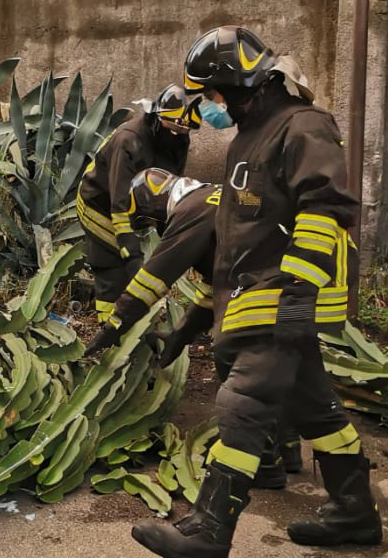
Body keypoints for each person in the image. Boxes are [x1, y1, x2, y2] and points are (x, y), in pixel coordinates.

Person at [133, 27, 376, 557]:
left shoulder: (303, 127)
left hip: (282, 293)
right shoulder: (249, 136)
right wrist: (194, 324)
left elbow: (327, 208)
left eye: (215, 94)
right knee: (316, 410)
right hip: (256, 295)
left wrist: (295, 291)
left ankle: (208, 528)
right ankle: (355, 512)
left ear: (240, 83)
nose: (213, 106)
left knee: (242, 402)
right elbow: (240, 236)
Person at [84, 168, 303, 489]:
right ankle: (289, 450)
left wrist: (114, 325)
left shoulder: (190, 212)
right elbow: (214, 288)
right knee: (275, 369)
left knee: (238, 365)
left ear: (153, 208)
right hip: (296, 285)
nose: (154, 229)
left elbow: (154, 278)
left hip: (269, 289)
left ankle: (264, 464)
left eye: (147, 222)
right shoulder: (213, 198)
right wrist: (180, 335)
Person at [76, 84, 199, 327]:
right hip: (99, 204)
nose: (177, 134)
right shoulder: (128, 140)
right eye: (172, 129)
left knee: (133, 266)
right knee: (113, 267)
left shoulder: (179, 139)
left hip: (131, 208)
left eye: (182, 130)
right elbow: (119, 199)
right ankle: (109, 327)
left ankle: (134, 322)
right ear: (156, 119)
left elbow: (171, 186)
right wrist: (129, 249)